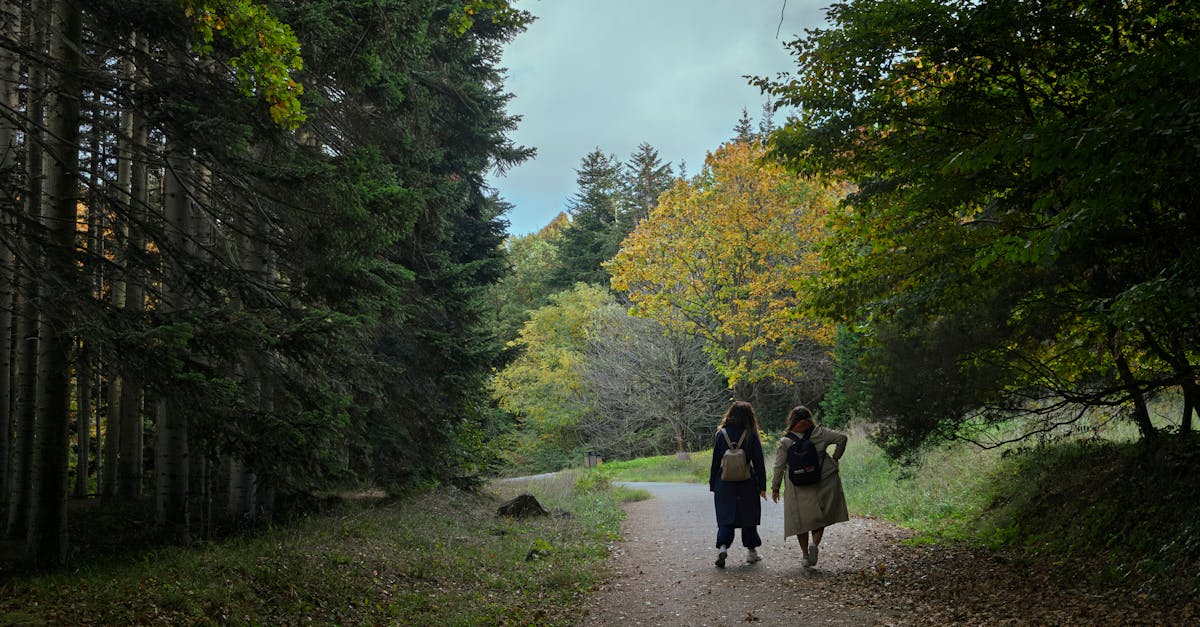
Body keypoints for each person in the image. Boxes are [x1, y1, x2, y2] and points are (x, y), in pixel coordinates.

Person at [770, 405, 849, 567]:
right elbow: (842, 438)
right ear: (809, 418)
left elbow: (778, 466)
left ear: (792, 420)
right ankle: (815, 544)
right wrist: (835, 458)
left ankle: (806, 555)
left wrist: (775, 487)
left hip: (796, 485)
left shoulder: (786, 441)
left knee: (801, 521)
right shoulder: (820, 433)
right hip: (821, 480)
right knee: (819, 517)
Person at [708, 401, 767, 568]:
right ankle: (751, 552)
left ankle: (722, 547)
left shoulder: (722, 434)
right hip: (747, 482)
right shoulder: (751, 435)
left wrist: (713, 483)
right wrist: (762, 486)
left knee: (726, 518)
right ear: (749, 417)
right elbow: (759, 463)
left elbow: (715, 462)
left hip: (724, 483)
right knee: (748, 517)